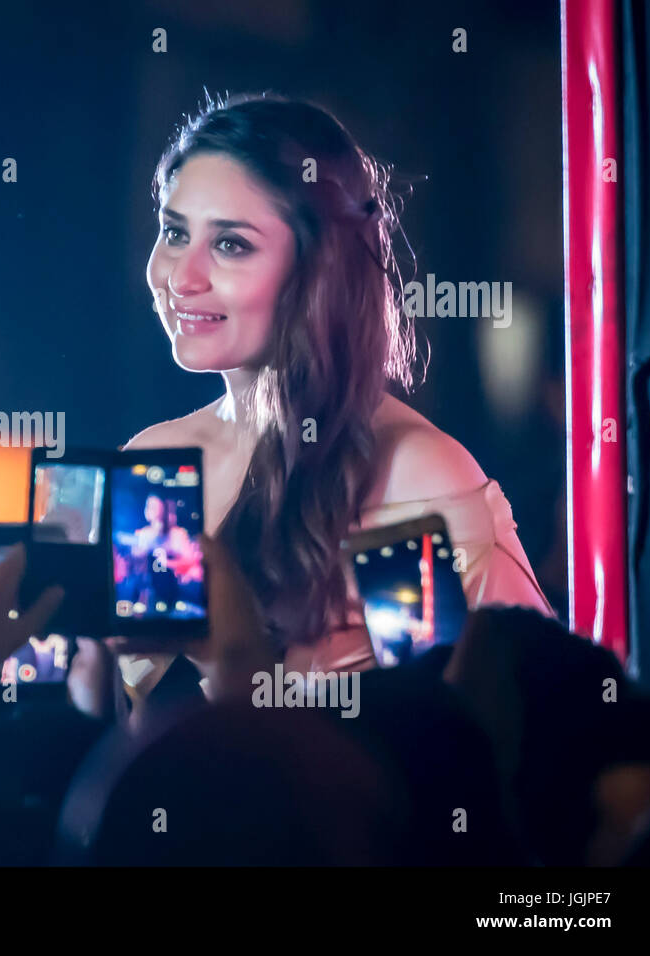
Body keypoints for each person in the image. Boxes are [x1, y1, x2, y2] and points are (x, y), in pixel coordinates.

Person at [120, 93, 553, 698]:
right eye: (173, 232)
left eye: (231, 244)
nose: (180, 277)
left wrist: (234, 668)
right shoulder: (154, 460)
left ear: (316, 267)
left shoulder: (409, 475)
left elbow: (464, 742)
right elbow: (116, 731)